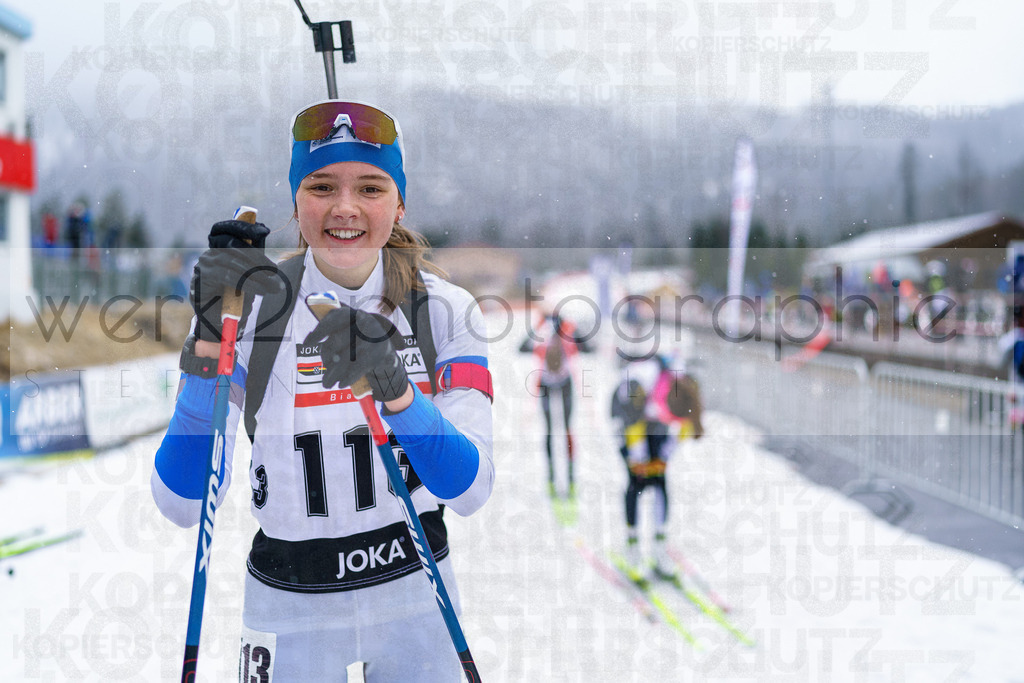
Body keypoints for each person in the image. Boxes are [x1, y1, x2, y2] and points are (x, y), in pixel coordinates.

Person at [150, 99, 495, 681]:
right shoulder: (247, 307)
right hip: (290, 601)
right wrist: (209, 346)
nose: (345, 208)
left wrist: (398, 396)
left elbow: (470, 488)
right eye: (321, 186)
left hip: (415, 591)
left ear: (400, 200)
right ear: (294, 201)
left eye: (370, 187)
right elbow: (182, 503)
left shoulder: (443, 311)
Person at [610, 351, 703, 580]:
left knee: (660, 478)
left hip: (654, 418)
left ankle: (659, 544)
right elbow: (632, 424)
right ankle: (632, 544)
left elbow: (687, 421)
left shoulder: (686, 386)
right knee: (637, 479)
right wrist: (639, 458)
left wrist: (667, 451)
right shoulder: (638, 384)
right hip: (626, 417)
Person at [519, 311, 593, 499]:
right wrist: (537, 326)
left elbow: (588, 346)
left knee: (567, 428)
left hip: (565, 382)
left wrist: (571, 325)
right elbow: (521, 348)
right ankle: (552, 475)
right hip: (545, 383)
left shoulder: (567, 333)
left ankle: (569, 475)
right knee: (550, 430)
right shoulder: (541, 335)